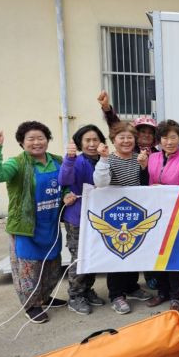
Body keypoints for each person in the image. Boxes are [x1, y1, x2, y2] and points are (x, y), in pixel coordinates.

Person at [0, 122, 68, 324]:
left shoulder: (58, 161)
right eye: (30, 139)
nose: (36, 142)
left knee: (52, 264)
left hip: (50, 224)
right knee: (29, 267)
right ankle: (31, 305)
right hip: (25, 226)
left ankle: (44, 297)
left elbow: (66, 184)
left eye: (41, 138)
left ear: (47, 140)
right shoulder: (18, 163)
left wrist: (67, 195)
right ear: (22, 143)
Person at [93, 121, 153, 314]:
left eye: (130, 137)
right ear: (113, 140)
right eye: (122, 138)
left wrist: (144, 168)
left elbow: (144, 186)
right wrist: (102, 160)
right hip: (114, 214)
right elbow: (101, 184)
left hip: (135, 213)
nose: (126, 141)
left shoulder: (139, 158)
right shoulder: (107, 159)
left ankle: (132, 287)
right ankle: (116, 295)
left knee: (134, 250)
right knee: (116, 253)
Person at [143, 120, 179, 312]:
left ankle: (177, 295)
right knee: (156, 255)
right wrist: (142, 168)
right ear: (159, 140)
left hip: (176, 214)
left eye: (173, 137)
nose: (169, 142)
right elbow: (144, 183)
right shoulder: (151, 158)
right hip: (154, 214)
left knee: (173, 256)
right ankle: (162, 292)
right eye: (165, 137)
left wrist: (164, 189)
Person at [58, 125, 108, 315]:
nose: (92, 144)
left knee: (94, 254)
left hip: (98, 217)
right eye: (87, 140)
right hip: (77, 217)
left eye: (95, 140)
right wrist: (69, 159)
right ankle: (75, 295)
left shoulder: (105, 160)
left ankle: (87, 290)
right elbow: (64, 179)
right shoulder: (76, 161)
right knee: (79, 257)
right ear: (80, 143)